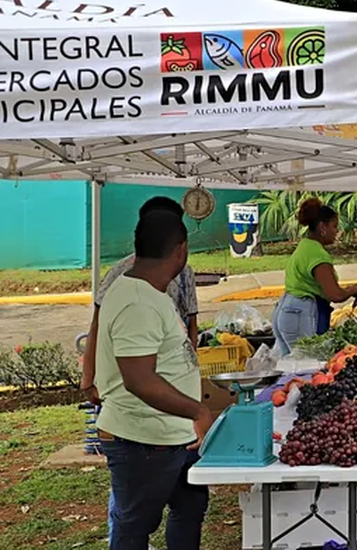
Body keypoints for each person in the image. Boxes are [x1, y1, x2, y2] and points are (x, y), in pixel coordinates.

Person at [96, 209, 212, 550]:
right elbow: (138, 379)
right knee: (135, 527)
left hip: (172, 437)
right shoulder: (136, 301)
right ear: (181, 249)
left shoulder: (149, 292)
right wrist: (198, 412)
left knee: (189, 510)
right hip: (143, 442)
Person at [81, 196, 199, 405]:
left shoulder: (183, 273)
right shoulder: (120, 274)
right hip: (130, 389)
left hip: (170, 380)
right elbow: (97, 325)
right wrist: (88, 380)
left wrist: (190, 369)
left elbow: (191, 323)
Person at [272, 198, 357, 356]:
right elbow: (335, 294)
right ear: (322, 227)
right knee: (309, 363)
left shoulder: (305, 246)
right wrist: (352, 290)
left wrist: (353, 289)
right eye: (334, 226)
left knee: (290, 366)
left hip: (285, 311)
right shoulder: (317, 254)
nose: (336, 231)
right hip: (300, 314)